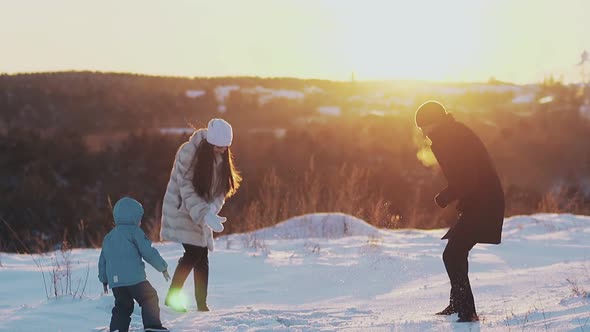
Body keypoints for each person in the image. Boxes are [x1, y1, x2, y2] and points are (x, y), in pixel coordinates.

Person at [415, 101, 505, 323]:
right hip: (481, 201)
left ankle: (467, 311)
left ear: (432, 123)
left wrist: (445, 196)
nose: (423, 133)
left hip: (484, 203)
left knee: (453, 253)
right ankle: (458, 304)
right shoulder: (451, 133)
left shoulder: (450, 138)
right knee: (455, 251)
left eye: (423, 127)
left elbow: (467, 177)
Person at [160, 118, 241, 312]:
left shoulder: (221, 158)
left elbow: (222, 190)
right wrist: (204, 214)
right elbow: (186, 189)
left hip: (202, 211)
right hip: (182, 209)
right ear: (210, 143)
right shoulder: (188, 153)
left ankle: (201, 304)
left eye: (225, 147)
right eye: (219, 147)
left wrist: (212, 210)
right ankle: (173, 298)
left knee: (201, 256)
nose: (222, 151)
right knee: (194, 253)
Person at [98, 196, 171, 332]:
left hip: (116, 283)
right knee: (149, 297)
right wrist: (162, 267)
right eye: (139, 218)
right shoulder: (134, 232)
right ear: (134, 218)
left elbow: (103, 260)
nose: (140, 222)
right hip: (135, 279)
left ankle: (117, 329)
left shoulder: (109, 237)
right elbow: (148, 252)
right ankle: (152, 326)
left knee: (122, 306)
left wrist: (104, 280)